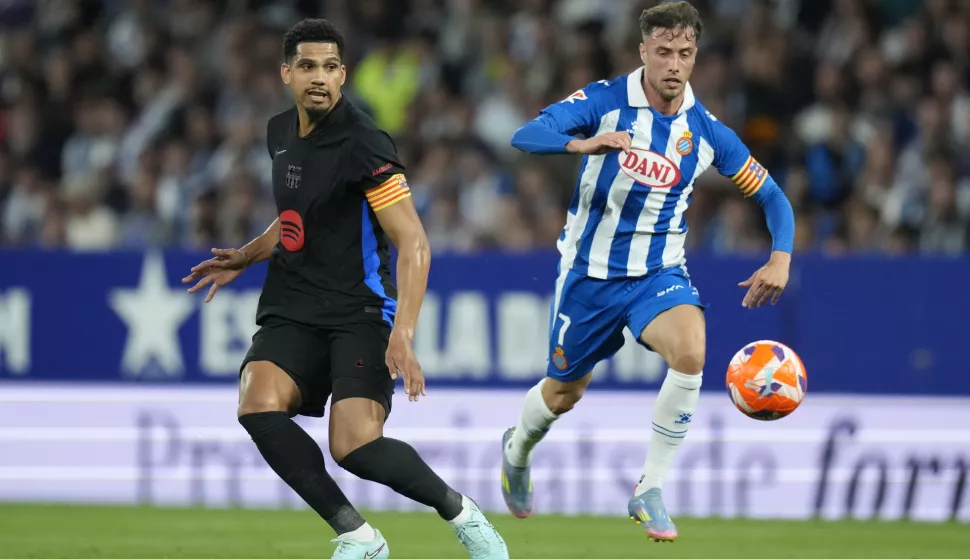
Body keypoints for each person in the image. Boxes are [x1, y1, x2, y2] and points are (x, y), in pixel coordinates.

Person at [182, 19, 508, 559]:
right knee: (256, 403)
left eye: (330, 67)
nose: (319, 77)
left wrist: (403, 333)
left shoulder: (364, 143)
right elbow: (297, 216)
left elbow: (414, 242)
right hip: (293, 304)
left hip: (359, 308)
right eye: (307, 66)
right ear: (286, 73)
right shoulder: (279, 133)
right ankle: (359, 537)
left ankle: (460, 512)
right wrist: (249, 253)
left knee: (354, 446)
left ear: (343, 75)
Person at [501, 1, 795, 543]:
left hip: (657, 274)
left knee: (691, 351)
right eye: (663, 52)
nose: (674, 64)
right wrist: (581, 143)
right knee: (564, 393)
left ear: (696, 55)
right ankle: (517, 449)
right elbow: (527, 133)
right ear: (643, 51)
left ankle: (650, 488)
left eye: (684, 52)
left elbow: (772, 195)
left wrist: (781, 256)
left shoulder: (707, 132)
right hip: (589, 276)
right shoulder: (605, 101)